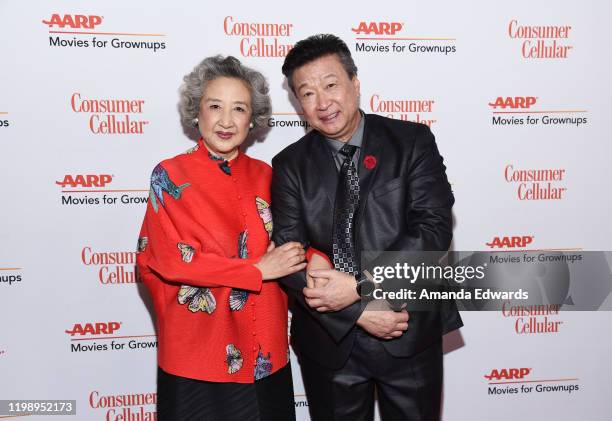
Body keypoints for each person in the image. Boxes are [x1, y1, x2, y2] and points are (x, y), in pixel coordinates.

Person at [272, 34, 463, 420]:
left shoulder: (412, 142)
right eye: (307, 93)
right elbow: (287, 256)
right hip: (329, 340)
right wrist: (357, 310)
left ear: (355, 83)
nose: (323, 102)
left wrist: (361, 286)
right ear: (297, 103)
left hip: (405, 326)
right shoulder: (289, 164)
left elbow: (433, 229)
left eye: (331, 85)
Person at [136, 55, 304, 421]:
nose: (226, 121)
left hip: (266, 353)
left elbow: (295, 247)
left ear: (252, 119)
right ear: (197, 112)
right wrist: (257, 270)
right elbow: (174, 259)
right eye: (215, 106)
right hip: (198, 355)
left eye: (239, 108)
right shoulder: (170, 175)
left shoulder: (268, 175)